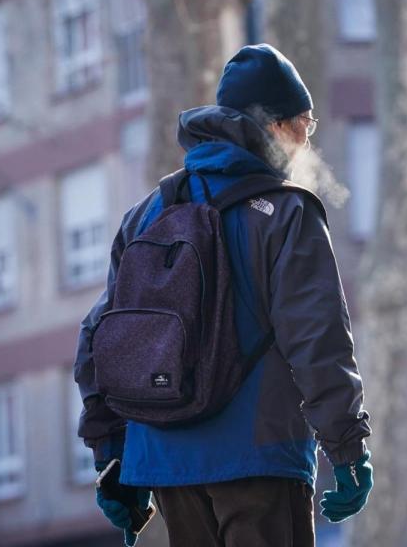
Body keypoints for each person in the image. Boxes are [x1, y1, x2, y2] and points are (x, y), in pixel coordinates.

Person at [74, 44, 373, 547]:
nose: (306, 139)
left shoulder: (146, 214)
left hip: (165, 466)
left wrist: (111, 457)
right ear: (273, 125)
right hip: (259, 461)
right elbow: (318, 339)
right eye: (304, 123)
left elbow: (99, 338)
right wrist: (347, 449)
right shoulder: (286, 213)